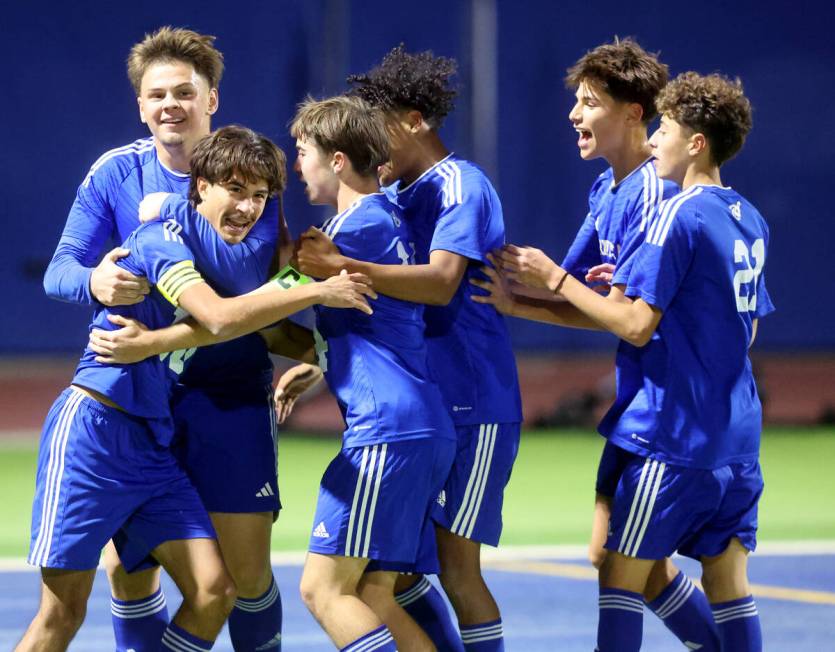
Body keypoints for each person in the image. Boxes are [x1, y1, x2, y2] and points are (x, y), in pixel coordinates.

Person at [18, 125, 374, 652]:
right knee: (64, 611)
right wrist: (321, 286)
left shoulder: (232, 247)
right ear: (200, 184)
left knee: (216, 591)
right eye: (236, 190)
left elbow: (248, 312)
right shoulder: (161, 233)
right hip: (95, 429)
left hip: (153, 440)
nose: (249, 207)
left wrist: (318, 340)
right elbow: (219, 317)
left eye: (260, 197)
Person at [477, 71, 771, 652]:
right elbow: (746, 325)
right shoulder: (749, 218)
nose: (656, 141)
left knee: (619, 573)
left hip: (670, 430)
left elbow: (635, 325)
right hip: (735, 430)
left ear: (695, 144)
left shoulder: (673, 212)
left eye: (665, 129)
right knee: (724, 579)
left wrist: (556, 279)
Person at [43, 27, 302, 651]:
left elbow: (277, 282)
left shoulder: (251, 174)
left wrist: (312, 348)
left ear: (211, 99)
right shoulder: (116, 174)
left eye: (185, 92)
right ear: (140, 104)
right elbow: (60, 271)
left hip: (231, 396)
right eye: (157, 94)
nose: (170, 105)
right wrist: (96, 282)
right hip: (140, 404)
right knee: (129, 575)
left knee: (243, 578)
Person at [297, 46, 522, 652]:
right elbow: (376, 313)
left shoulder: (459, 184)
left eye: (380, 125)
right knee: (384, 581)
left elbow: (443, 280)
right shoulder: (393, 201)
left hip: (473, 401)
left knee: (454, 569)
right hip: (424, 400)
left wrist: (338, 266)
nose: (371, 141)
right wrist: (314, 356)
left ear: (415, 120)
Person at [558, 40, 719, 650]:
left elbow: (628, 318)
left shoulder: (656, 193)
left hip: (668, 414)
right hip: (637, 404)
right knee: (616, 558)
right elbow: (575, 293)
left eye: (589, 102)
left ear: (634, 113)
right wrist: (504, 292)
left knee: (622, 569)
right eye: (575, 101)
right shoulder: (609, 189)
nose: (575, 115)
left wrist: (532, 289)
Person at [289, 94, 457, 652]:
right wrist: (318, 361)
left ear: (337, 160)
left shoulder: (350, 232)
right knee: (375, 592)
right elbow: (372, 322)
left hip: (385, 430)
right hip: (418, 425)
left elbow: (269, 280)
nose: (296, 165)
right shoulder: (383, 219)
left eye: (303, 151)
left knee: (323, 589)